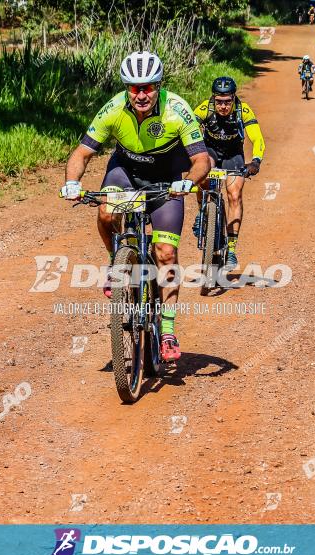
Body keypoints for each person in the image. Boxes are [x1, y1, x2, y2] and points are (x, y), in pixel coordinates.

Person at [60, 51, 211, 361]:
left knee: (166, 253)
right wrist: (73, 182)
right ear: (127, 88)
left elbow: (201, 160)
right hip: (125, 172)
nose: (141, 94)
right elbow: (82, 153)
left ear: (159, 85)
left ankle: (167, 330)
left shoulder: (177, 110)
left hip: (167, 179)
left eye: (148, 87)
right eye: (134, 88)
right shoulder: (113, 109)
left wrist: (189, 182)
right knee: (106, 210)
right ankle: (115, 261)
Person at [192, 77, 266, 269]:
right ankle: (202, 210)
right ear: (213, 98)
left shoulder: (243, 110)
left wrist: (256, 161)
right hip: (210, 150)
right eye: (219, 101)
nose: (223, 106)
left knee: (234, 195)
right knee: (202, 172)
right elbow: (189, 130)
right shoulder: (204, 108)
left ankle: (231, 249)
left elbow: (257, 138)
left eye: (228, 101)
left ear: (234, 98)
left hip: (233, 153)